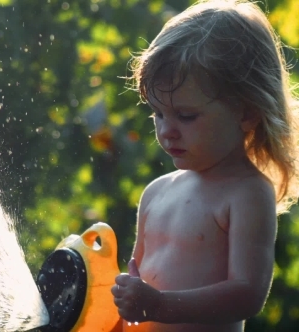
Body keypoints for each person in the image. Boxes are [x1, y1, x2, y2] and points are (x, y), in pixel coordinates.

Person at [110, 0, 299, 331]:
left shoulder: (247, 193)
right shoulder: (156, 193)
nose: (166, 130)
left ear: (246, 113)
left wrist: (158, 305)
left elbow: (247, 294)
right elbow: (135, 288)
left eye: (186, 115)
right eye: (158, 113)